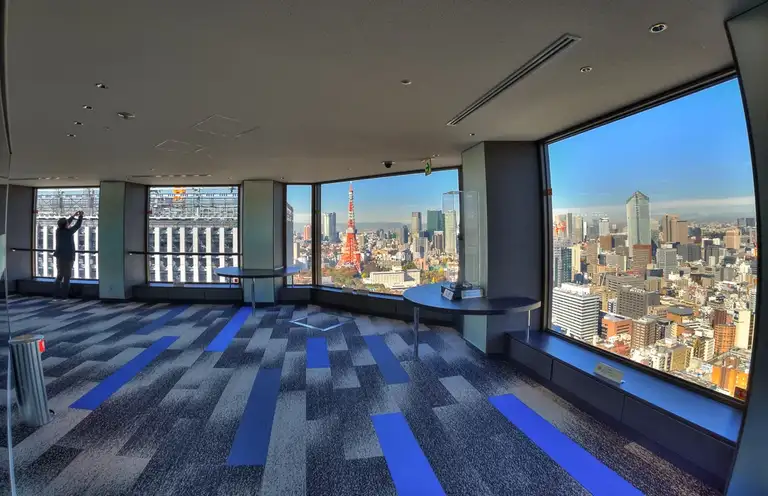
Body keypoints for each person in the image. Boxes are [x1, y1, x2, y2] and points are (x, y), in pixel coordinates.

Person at [54, 210, 84, 299]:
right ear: (66, 225)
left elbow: (66, 223)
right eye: (67, 223)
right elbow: (77, 226)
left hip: (60, 257)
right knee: (67, 277)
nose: (68, 223)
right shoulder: (68, 232)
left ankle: (56, 294)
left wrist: (73, 216)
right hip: (68, 257)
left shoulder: (58, 231)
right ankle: (64, 296)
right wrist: (80, 216)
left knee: (59, 276)